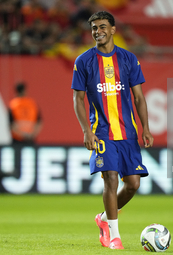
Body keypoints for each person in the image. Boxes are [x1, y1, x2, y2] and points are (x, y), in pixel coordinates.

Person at [71, 11, 153, 250]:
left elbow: (139, 97)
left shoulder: (128, 59)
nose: (98, 31)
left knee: (133, 184)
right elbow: (78, 99)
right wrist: (87, 130)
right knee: (111, 179)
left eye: (103, 26)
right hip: (102, 132)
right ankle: (113, 237)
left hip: (128, 133)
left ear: (113, 30)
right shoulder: (83, 61)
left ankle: (104, 218)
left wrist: (145, 127)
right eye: (94, 28)